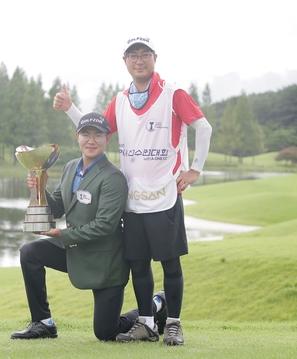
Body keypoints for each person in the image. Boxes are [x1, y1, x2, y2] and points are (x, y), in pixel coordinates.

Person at [53, 36, 213, 345]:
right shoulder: (121, 100)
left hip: (165, 194)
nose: (138, 60)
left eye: (144, 54)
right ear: (124, 61)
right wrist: (70, 108)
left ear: (155, 57)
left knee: (170, 264)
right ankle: (147, 323)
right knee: (138, 264)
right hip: (132, 200)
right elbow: (97, 131)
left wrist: (195, 169)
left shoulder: (173, 94)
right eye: (132, 55)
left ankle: (175, 324)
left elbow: (202, 127)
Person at [11, 112, 167, 341]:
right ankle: (43, 323)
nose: (91, 140)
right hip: (75, 250)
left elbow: (104, 226)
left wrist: (62, 234)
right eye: (85, 134)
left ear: (107, 139)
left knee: (106, 332)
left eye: (98, 135)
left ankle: (157, 305)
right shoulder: (70, 167)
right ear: (77, 137)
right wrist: (39, 188)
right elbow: (57, 208)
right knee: (30, 252)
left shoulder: (113, 177)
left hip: (104, 262)